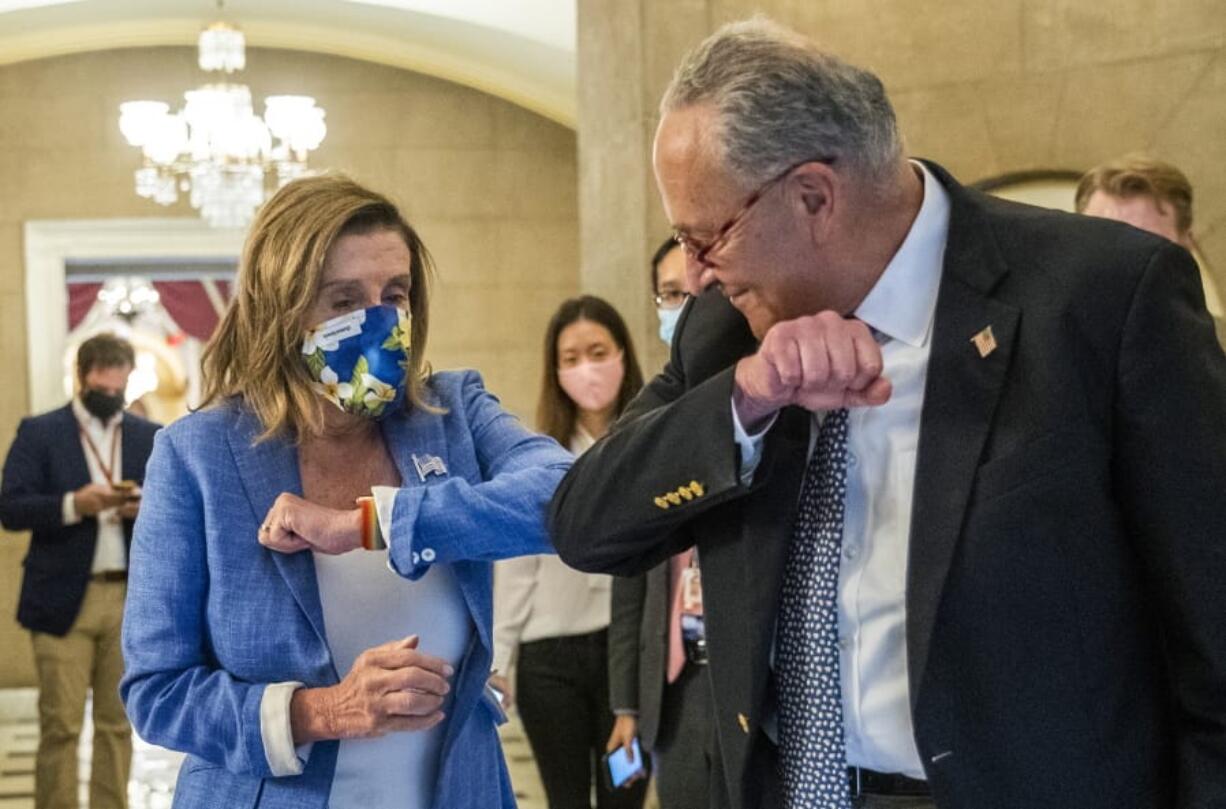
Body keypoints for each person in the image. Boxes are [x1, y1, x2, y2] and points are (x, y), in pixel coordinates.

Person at [550, 18, 1226, 809]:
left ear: (813, 195)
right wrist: (748, 401)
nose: (695, 274)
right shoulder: (726, 335)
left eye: (708, 237)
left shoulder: (1103, 297)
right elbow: (583, 522)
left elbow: (1212, 639)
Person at [119, 174, 572, 809]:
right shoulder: (198, 456)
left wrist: (372, 524)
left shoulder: (453, 414)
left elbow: (561, 496)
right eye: (343, 301)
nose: (379, 319)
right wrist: (325, 711)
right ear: (282, 308)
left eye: (396, 293)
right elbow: (157, 692)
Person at [492, 295, 647, 809]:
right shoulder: (540, 456)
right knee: (566, 800)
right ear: (555, 372)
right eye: (571, 358)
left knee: (625, 793)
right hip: (549, 657)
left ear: (623, 355)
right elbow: (518, 567)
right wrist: (500, 657)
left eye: (598, 351)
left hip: (626, 657)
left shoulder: (651, 443)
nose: (588, 369)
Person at [0, 332, 159, 809]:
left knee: (117, 724)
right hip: (62, 596)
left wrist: (143, 508)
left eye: (120, 390)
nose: (112, 398)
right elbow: (11, 508)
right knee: (62, 726)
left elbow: (177, 507)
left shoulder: (147, 436)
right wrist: (75, 503)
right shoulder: (40, 432)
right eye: (103, 389)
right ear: (82, 378)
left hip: (129, 598)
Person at [606, 238, 718, 809]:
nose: (687, 307)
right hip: (672, 688)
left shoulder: (762, 400)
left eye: (699, 292)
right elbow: (630, 584)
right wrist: (626, 704)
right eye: (672, 295)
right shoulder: (652, 421)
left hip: (745, 684)